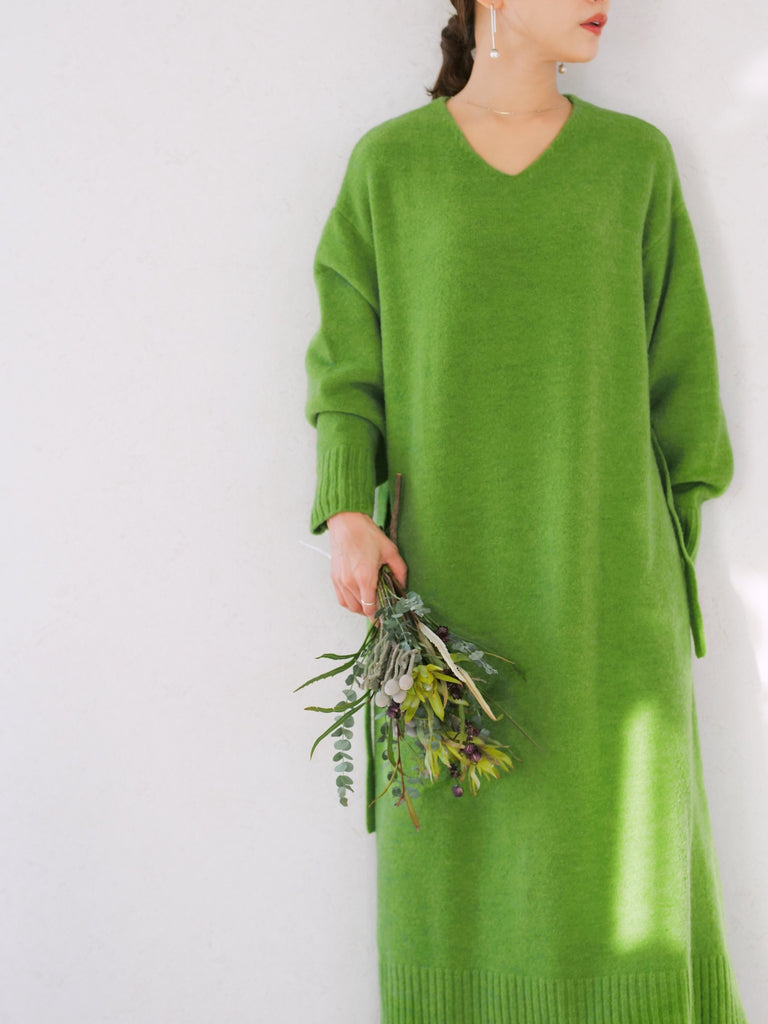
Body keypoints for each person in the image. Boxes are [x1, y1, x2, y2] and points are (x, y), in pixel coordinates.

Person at [304, 2, 749, 1021]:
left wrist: (658, 565)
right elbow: (347, 370)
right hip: (443, 599)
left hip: (610, 596)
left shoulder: (634, 162)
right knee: (457, 868)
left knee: (626, 869)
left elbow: (682, 384)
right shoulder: (391, 166)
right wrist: (347, 509)